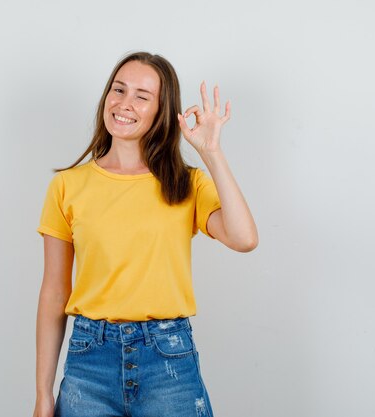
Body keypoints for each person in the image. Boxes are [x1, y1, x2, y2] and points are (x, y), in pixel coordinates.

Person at [33, 51, 258, 417]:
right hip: (89, 361)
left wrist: (211, 152)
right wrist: (43, 392)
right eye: (118, 90)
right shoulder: (67, 186)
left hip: (168, 360)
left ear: (161, 110)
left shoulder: (185, 183)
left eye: (142, 95)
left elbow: (244, 238)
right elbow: (55, 291)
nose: (124, 103)